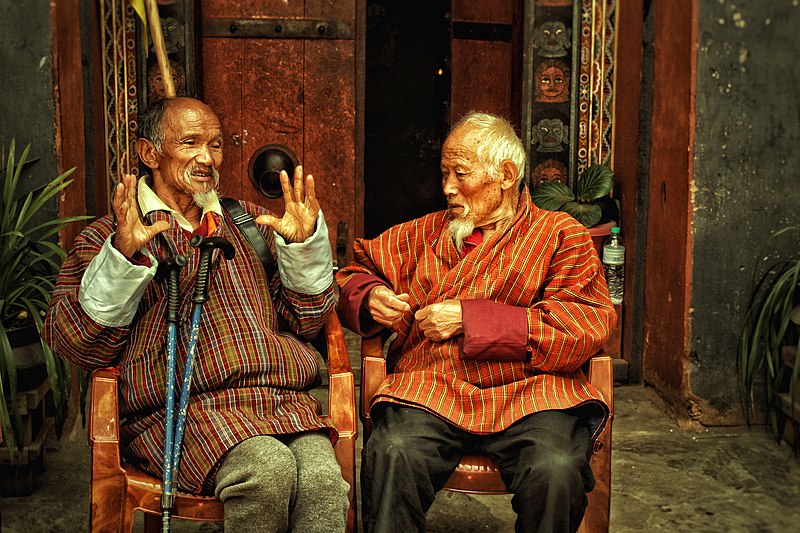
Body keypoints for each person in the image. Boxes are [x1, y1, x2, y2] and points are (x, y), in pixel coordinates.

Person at [43, 97, 349, 532]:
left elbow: (308, 321)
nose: (208, 158)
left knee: (324, 484)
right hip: (178, 410)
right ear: (150, 153)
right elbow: (74, 342)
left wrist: (302, 251)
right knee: (266, 471)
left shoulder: (249, 224)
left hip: (279, 400)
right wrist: (124, 258)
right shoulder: (113, 235)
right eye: (191, 143)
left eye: (217, 145)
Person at [336, 112, 616, 533]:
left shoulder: (562, 234)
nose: (447, 187)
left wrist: (469, 318)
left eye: (460, 173)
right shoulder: (423, 233)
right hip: (432, 385)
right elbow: (355, 269)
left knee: (556, 468)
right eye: (445, 173)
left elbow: (582, 323)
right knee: (392, 450)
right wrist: (371, 296)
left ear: (505, 175)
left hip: (533, 390)